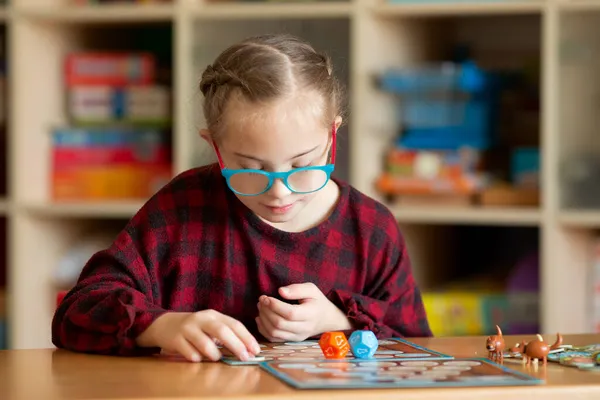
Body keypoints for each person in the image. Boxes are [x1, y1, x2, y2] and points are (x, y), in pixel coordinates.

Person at [51, 33, 432, 363]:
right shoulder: (182, 208)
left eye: (303, 164)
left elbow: (419, 349)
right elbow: (75, 313)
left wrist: (339, 322)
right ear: (215, 147)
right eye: (251, 169)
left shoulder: (371, 229)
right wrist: (161, 326)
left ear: (333, 135)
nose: (279, 191)